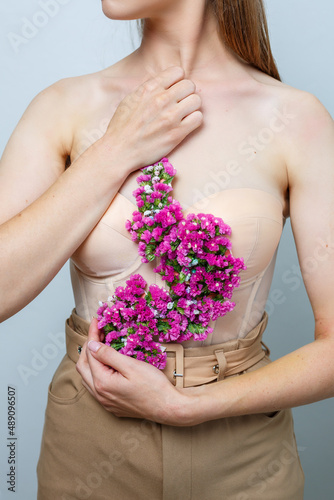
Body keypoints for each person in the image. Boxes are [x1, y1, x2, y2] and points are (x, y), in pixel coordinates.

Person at [1, 0, 333, 498]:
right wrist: (116, 150)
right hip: (90, 438)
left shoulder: (294, 117)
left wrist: (189, 406)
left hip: (244, 451)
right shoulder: (64, 106)